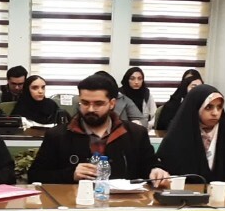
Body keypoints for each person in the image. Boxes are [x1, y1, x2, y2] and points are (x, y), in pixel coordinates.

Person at [28, 73, 170, 185]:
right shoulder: (57, 135)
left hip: (123, 205)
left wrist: (156, 171)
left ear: (112, 104)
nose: (90, 109)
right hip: (74, 204)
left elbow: (149, 165)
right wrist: (70, 175)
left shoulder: (135, 134)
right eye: (85, 103)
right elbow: (35, 175)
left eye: (98, 104)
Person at [157, 84, 225, 184]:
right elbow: (162, 174)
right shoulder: (177, 137)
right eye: (209, 107)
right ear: (196, 108)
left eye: (219, 107)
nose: (215, 113)